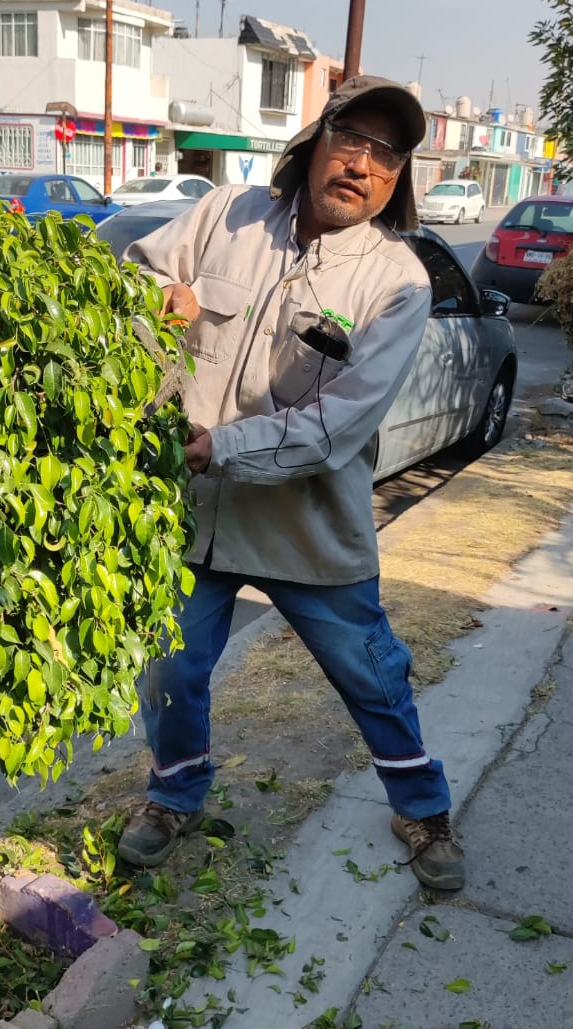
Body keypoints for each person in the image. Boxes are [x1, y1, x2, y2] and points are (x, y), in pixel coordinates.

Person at [119, 74, 462, 892]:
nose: (364, 166)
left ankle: (422, 808)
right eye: (352, 141)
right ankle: (175, 796)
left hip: (304, 517)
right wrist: (145, 301)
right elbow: (130, 277)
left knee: (370, 671)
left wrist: (220, 446)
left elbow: (338, 424)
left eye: (388, 155)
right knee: (168, 668)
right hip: (190, 510)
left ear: (399, 176)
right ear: (315, 142)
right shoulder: (224, 215)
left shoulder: (396, 281)